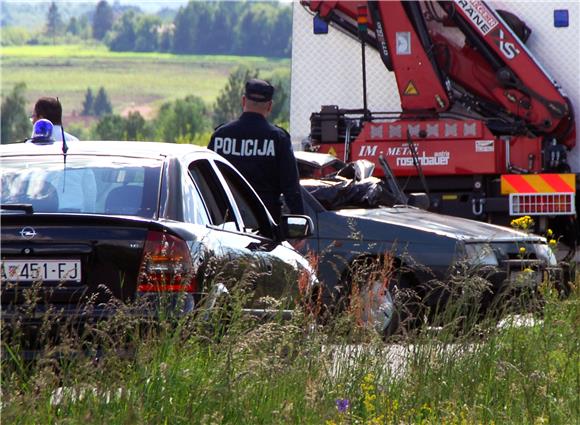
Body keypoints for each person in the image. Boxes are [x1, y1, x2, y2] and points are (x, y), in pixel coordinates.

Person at [208, 79, 304, 221]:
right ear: (270, 106)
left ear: (243, 101)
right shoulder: (278, 138)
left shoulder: (220, 136)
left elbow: (206, 179)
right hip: (266, 223)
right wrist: (299, 221)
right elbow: (291, 187)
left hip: (223, 221)